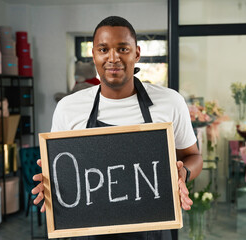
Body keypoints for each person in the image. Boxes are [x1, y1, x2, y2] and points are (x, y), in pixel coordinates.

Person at [32, 16, 203, 240]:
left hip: (152, 231)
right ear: (93, 54)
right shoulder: (68, 108)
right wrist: (51, 184)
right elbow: (61, 172)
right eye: (103, 49)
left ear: (137, 53)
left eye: (123, 48)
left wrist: (183, 173)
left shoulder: (170, 102)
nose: (113, 58)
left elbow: (193, 156)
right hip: (87, 233)